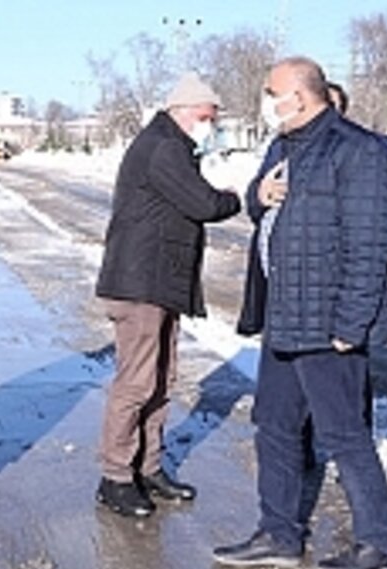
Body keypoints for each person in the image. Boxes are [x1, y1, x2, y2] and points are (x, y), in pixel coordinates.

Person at [213, 57, 387, 569]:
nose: (267, 101)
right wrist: (259, 196)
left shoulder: (357, 150)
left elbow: (367, 248)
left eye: (272, 92)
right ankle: (278, 533)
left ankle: (378, 543)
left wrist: (350, 326)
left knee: (343, 433)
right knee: (273, 425)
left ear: (298, 94)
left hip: (326, 322)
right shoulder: (281, 147)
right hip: (283, 314)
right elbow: (263, 209)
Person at [94, 72, 241, 518]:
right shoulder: (164, 146)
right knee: (137, 381)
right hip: (140, 283)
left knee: (161, 379)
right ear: (183, 111)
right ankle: (116, 475)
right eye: (206, 117)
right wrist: (234, 198)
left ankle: (149, 466)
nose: (210, 125)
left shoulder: (173, 143)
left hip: (160, 282)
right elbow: (202, 203)